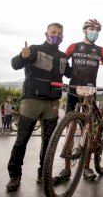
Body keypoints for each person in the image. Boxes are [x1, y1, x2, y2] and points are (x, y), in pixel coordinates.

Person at [6, 22, 71, 192]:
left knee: (49, 143)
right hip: (31, 101)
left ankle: (43, 174)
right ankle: (14, 176)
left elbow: (72, 74)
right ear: (46, 33)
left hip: (53, 104)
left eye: (58, 33)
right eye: (52, 32)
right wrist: (22, 56)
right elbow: (15, 64)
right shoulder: (34, 49)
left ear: (62, 36)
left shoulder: (63, 56)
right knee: (21, 141)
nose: (55, 35)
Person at [53, 18, 103, 184]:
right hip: (73, 91)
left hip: (90, 92)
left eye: (97, 29)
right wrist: (59, 77)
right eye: (92, 28)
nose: (95, 32)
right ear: (85, 30)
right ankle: (66, 169)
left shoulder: (100, 50)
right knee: (70, 129)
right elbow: (62, 63)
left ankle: (86, 167)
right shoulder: (73, 46)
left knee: (89, 129)